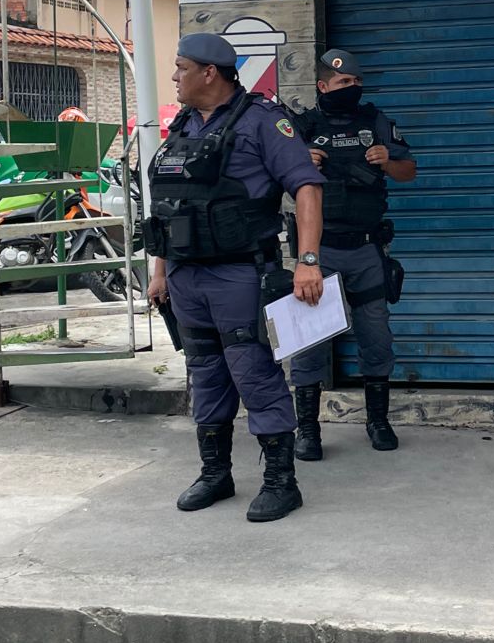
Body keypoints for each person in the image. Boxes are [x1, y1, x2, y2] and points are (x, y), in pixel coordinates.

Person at [146, 33, 325, 523]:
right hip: (185, 275)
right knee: (204, 375)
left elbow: (306, 188)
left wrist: (307, 260)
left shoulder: (263, 121)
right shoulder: (182, 124)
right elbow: (168, 206)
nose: (175, 77)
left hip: (239, 273)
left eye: (181, 67)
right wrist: (160, 272)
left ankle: (281, 482)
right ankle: (215, 473)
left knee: (253, 372)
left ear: (210, 72)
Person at [289, 48, 417, 459]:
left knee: (376, 339)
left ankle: (378, 422)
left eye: (357, 82)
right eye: (344, 83)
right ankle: (307, 431)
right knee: (309, 344)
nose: (353, 88)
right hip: (319, 253)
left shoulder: (375, 122)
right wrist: (299, 163)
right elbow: (271, 182)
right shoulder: (301, 126)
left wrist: (387, 163)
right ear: (322, 86)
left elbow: (409, 170)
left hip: (365, 251)